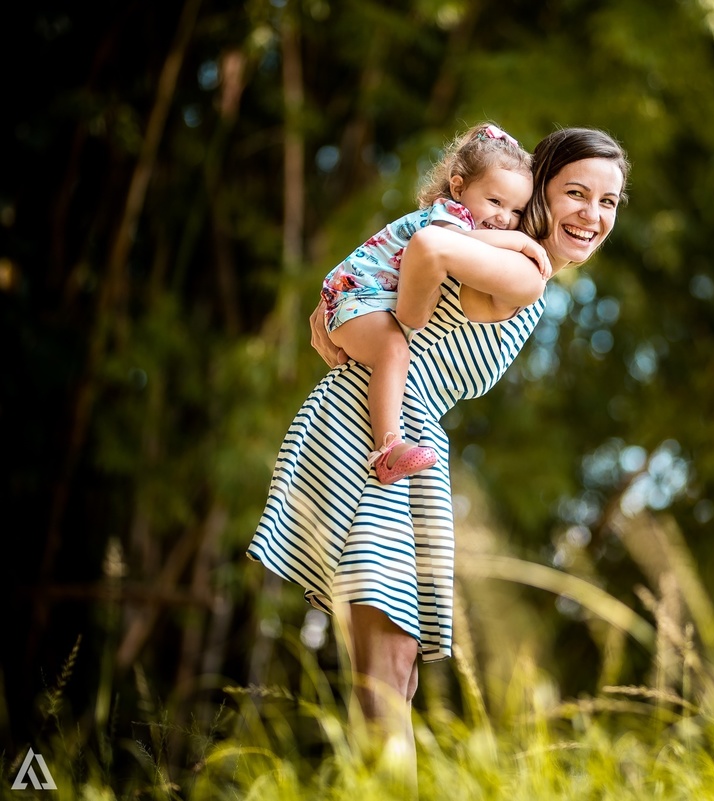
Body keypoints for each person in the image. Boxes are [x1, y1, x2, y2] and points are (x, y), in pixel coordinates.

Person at [248, 126, 629, 783]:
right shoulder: (522, 270)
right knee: (385, 671)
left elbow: (394, 261)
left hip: (387, 427)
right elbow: (422, 246)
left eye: (610, 201)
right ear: (539, 189)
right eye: (575, 193)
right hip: (377, 434)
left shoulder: (503, 253)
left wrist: (335, 308)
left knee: (396, 672)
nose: (592, 215)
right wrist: (380, 321)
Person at [320, 122, 549, 483]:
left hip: (364, 300)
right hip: (355, 295)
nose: (505, 219)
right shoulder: (450, 217)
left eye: (517, 212)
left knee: (392, 347)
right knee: (394, 349)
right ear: (458, 186)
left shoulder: (471, 226)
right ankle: (388, 449)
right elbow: (446, 245)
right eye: (495, 201)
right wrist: (520, 243)